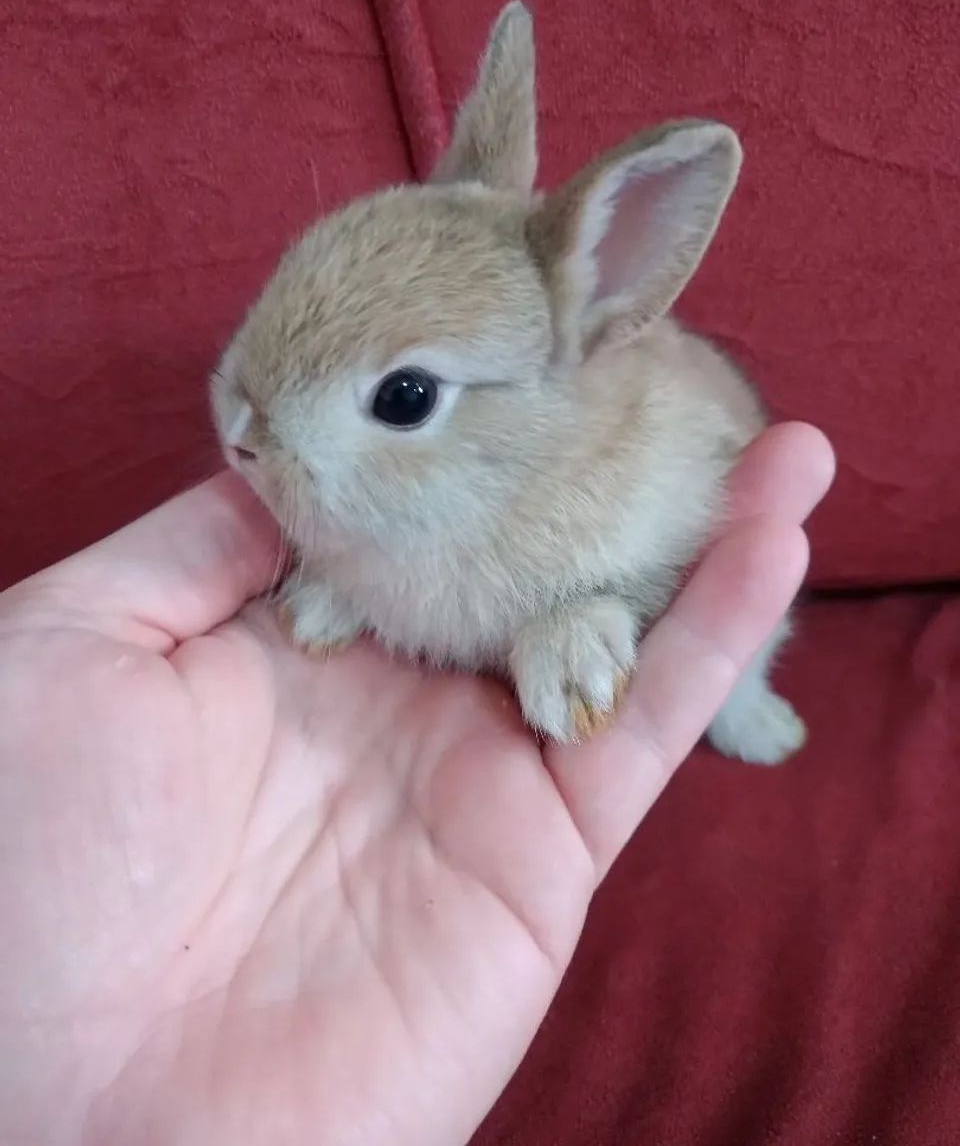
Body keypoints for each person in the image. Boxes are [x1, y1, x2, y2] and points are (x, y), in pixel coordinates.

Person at [0, 422, 833, 1146]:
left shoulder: (606, 468)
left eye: (404, 399)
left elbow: (669, 552)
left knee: (732, 603)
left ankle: (736, 694)